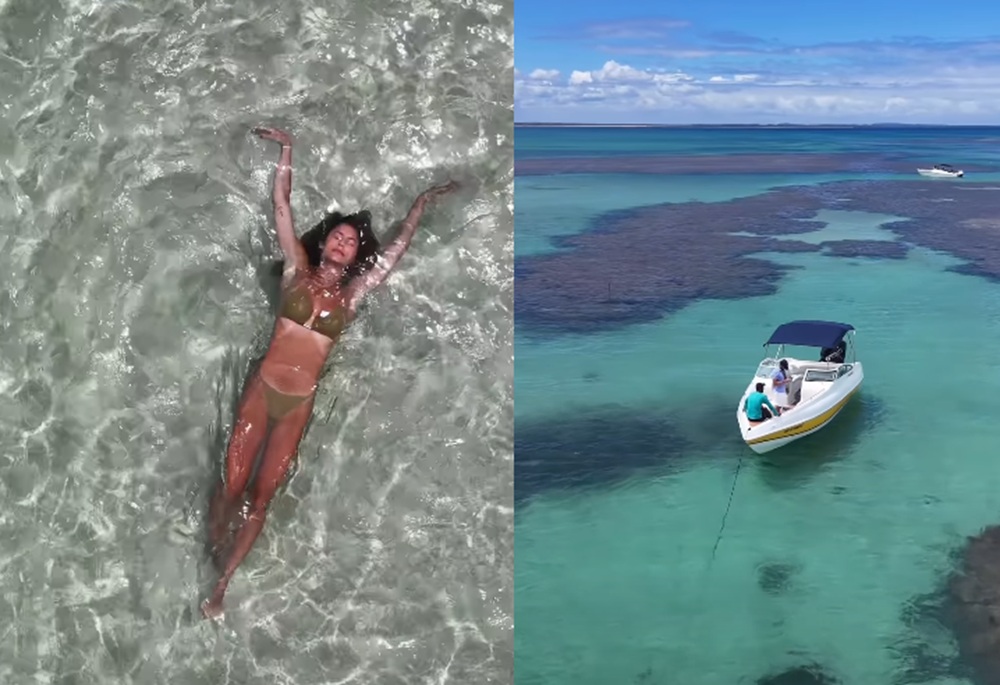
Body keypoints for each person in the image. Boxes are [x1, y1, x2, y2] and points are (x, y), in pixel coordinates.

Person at [201, 125, 460, 619]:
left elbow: (396, 251)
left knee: (261, 498)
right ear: (323, 244)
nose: (342, 244)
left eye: (349, 242)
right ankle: (211, 546)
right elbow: (281, 207)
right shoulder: (296, 269)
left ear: (354, 255)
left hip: (298, 405)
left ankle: (223, 583)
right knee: (231, 487)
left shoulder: (352, 298)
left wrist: (422, 202)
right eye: (337, 237)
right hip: (263, 390)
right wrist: (287, 150)